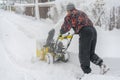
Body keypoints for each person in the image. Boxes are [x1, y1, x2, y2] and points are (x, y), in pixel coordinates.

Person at [60, 3, 109, 75]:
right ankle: (103, 65)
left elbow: (65, 28)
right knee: (90, 53)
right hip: (93, 31)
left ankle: (88, 74)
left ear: (68, 10)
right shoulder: (81, 12)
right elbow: (82, 23)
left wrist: (61, 32)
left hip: (85, 32)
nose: (67, 12)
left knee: (83, 54)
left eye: (67, 11)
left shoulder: (69, 15)